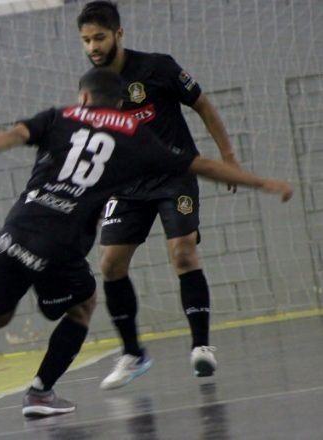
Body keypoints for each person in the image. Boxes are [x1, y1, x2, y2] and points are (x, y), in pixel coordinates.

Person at [0, 68, 292, 417]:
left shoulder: (60, 117)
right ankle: (40, 393)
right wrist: (262, 182)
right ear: (120, 104)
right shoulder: (133, 136)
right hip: (60, 244)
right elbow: (198, 164)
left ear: (84, 97)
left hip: (14, 231)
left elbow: (15, 134)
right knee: (83, 305)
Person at [77, 1, 242, 389]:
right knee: (110, 265)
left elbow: (202, 104)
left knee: (183, 250)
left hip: (175, 175)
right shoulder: (92, 84)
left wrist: (228, 156)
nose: (93, 46)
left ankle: (201, 347)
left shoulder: (158, 67)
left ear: (119, 34)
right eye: (86, 40)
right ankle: (133, 354)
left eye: (99, 37)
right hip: (128, 185)